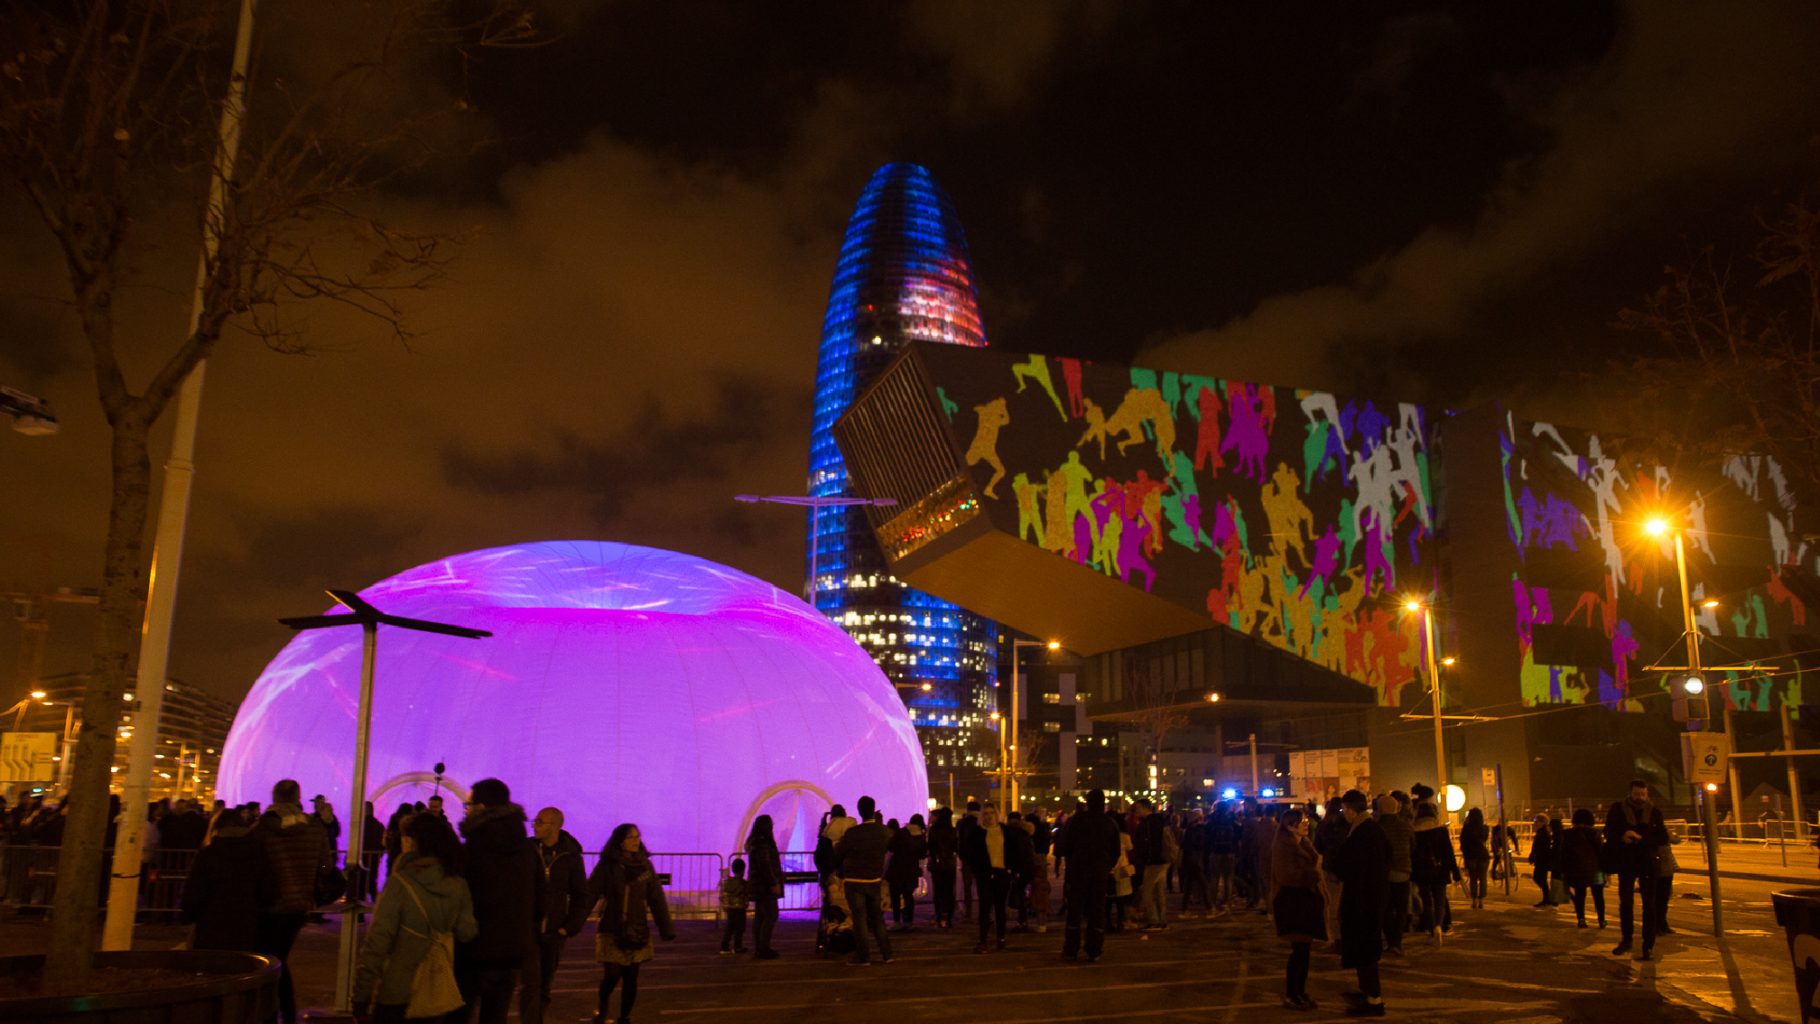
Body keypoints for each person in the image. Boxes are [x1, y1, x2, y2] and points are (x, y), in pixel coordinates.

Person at [353, 813, 478, 1024]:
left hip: (398, 992)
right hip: (437, 989)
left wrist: (361, 996)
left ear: (410, 841)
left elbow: (377, 942)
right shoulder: (458, 884)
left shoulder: (400, 884)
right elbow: (468, 932)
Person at [456, 778, 543, 1023]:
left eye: (469, 805)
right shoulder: (527, 850)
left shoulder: (472, 847)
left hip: (471, 950)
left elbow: (459, 898)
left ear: (481, 808)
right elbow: (540, 899)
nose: (467, 810)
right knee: (495, 1017)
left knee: (458, 1014)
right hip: (511, 951)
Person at [251, 779, 333, 1024]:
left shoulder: (262, 828)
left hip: (269, 902)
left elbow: (253, 863)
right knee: (278, 958)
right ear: (298, 797)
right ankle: (285, 1013)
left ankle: (276, 1012)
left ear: (274, 797)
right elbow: (326, 865)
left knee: (271, 960)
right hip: (299, 904)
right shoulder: (313, 828)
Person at [588, 823, 675, 1024]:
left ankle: (624, 1017)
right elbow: (590, 893)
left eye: (637, 836)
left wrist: (666, 928)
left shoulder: (645, 866)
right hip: (611, 928)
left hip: (637, 928)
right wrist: (573, 922)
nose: (636, 841)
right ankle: (602, 1007)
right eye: (631, 837)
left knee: (631, 978)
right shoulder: (607, 866)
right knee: (612, 974)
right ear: (620, 842)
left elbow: (656, 898)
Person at [1324, 789, 1389, 1017]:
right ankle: (1366, 992)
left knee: (1366, 950)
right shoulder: (1370, 829)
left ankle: (1374, 1000)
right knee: (1364, 949)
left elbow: (1348, 863)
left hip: (1364, 900)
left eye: (1344, 810)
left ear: (1351, 810)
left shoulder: (1363, 832)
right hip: (1369, 897)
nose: (1343, 814)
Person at [524, 806, 590, 1024]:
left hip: (554, 931)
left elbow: (581, 894)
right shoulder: (527, 850)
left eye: (540, 821)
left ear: (554, 826)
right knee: (532, 983)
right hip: (529, 929)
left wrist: (569, 927)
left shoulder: (569, 856)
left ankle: (537, 1018)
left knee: (544, 984)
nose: (535, 825)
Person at [181, 806, 273, 952]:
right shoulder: (259, 852)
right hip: (247, 924)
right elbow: (269, 891)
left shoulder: (208, 854)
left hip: (211, 924)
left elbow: (194, 891)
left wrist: (189, 916)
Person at [1604, 779, 1668, 960]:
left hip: (1648, 862)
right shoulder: (1618, 809)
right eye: (1636, 794)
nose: (1640, 797)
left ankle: (1648, 945)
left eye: (1643, 794)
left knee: (1649, 905)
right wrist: (1622, 835)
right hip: (1626, 861)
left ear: (1647, 794)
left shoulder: (1654, 812)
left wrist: (1642, 839)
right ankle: (1626, 940)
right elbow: (1608, 831)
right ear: (1630, 793)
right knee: (1626, 903)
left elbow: (1662, 837)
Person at [1271, 808, 1326, 1011]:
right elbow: (1287, 876)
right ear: (1289, 825)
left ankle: (1300, 991)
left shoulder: (1301, 842)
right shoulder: (1283, 846)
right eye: (1301, 821)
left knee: (1304, 951)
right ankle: (1292, 993)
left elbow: (1315, 859)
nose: (1305, 824)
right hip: (1292, 900)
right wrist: (1313, 875)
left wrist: (1307, 844)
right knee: (1299, 951)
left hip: (1304, 899)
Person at [960, 802, 1034, 953]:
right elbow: (965, 850)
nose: (988, 816)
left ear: (996, 814)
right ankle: (983, 940)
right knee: (984, 908)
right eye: (985, 813)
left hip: (1002, 873)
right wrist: (976, 867)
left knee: (1000, 907)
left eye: (991, 813)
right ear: (982, 816)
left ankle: (1001, 938)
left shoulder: (1005, 831)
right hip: (984, 874)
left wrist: (1012, 870)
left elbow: (1016, 851)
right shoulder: (976, 833)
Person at [1058, 792, 1117, 961]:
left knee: (1074, 912)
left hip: (1077, 872)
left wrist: (1071, 864)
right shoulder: (1109, 823)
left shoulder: (1076, 821)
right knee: (1097, 911)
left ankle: (1071, 949)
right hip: (1099, 873)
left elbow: (1065, 845)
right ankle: (1094, 949)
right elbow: (1115, 850)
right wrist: (1106, 866)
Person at [834, 795, 893, 964]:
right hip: (874, 880)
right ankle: (887, 953)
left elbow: (838, 853)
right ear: (874, 810)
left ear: (859, 811)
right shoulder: (883, 832)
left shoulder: (853, 833)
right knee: (877, 919)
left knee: (859, 919)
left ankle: (863, 956)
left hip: (854, 882)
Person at [1411, 800, 1460, 944]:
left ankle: (1432, 930)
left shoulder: (1415, 831)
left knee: (1427, 902)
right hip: (1440, 869)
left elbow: (1412, 854)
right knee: (1440, 901)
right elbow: (1449, 852)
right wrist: (1455, 871)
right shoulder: (1441, 830)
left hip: (1422, 872)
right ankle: (1439, 925)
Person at [1376, 793, 1413, 956]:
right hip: (1403, 871)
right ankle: (1397, 941)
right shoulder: (1405, 826)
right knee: (1401, 909)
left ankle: (1390, 941)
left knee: (1385, 908)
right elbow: (1413, 847)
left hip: (1383, 873)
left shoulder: (1376, 826)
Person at [743, 814, 784, 959]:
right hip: (765, 886)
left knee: (761, 916)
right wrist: (773, 882)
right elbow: (765, 864)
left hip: (758, 885)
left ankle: (759, 948)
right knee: (771, 915)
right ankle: (764, 947)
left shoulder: (755, 842)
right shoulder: (763, 843)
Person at [1560, 808, 1606, 928]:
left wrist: (1564, 870)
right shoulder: (1595, 833)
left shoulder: (1568, 834)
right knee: (1598, 896)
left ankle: (1581, 919)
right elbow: (1601, 852)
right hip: (1596, 869)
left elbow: (1564, 853)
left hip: (1577, 868)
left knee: (1580, 895)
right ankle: (1601, 920)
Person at [1131, 798, 1170, 930]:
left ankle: (1154, 921)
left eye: (1137, 808)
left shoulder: (1148, 823)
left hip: (1153, 861)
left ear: (1143, 808)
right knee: (1159, 892)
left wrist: (1143, 858)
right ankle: (1162, 921)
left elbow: (1147, 844)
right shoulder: (1160, 820)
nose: (1136, 811)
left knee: (1147, 892)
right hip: (1164, 859)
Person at [886, 812, 927, 930]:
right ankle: (909, 922)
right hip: (911, 869)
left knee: (895, 896)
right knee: (908, 896)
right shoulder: (921, 836)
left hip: (896, 868)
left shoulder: (901, 832)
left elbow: (890, 846)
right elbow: (923, 854)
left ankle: (896, 921)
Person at [927, 807, 959, 929]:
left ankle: (939, 916)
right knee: (950, 890)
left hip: (937, 863)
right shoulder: (952, 830)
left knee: (938, 890)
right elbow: (956, 847)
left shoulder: (934, 830)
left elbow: (930, 846)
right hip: (950, 863)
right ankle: (949, 917)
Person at [1206, 803, 1239, 912]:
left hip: (1215, 851)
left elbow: (1207, 834)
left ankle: (1213, 904)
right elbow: (1239, 832)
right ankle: (1227, 904)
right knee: (1228, 878)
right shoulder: (1230, 819)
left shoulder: (1211, 819)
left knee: (1214, 878)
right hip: (1229, 851)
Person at [1459, 808, 1491, 909]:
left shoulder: (1466, 828)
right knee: (1483, 878)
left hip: (1471, 856)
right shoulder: (1484, 828)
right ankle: (1481, 901)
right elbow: (1484, 839)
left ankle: (1474, 901)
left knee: (1473, 878)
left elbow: (1463, 843)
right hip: (1482, 855)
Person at [719, 858, 749, 955]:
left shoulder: (727, 882)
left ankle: (724, 947)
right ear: (743, 870)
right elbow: (747, 894)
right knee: (740, 928)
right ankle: (737, 947)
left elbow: (722, 895)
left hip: (729, 908)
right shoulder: (743, 883)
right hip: (739, 908)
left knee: (729, 927)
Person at [1527, 812, 1556, 907]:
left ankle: (1547, 898)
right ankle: (1547, 897)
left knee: (1539, 878)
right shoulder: (1540, 832)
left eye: (1536, 821)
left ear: (1542, 822)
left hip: (1542, 860)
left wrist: (1536, 856)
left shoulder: (1544, 833)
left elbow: (1542, 848)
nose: (1534, 823)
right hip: (1540, 859)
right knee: (1539, 878)